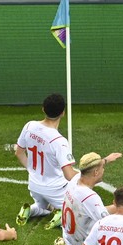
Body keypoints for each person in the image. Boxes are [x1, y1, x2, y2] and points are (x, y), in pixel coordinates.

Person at [14, 93, 77, 229]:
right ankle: (62, 216)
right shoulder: (59, 141)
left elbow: (18, 152)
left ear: (43, 109)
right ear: (63, 113)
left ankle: (30, 210)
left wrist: (32, 171)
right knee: (79, 212)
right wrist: (87, 175)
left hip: (34, 186)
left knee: (44, 207)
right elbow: (69, 175)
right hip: (55, 190)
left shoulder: (29, 126)